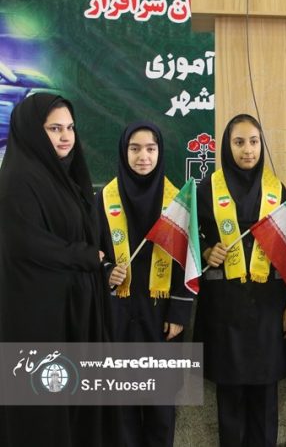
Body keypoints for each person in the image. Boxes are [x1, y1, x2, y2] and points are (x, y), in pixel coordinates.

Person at [0, 93, 114, 446]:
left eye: (70, 128)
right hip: (39, 317)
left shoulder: (65, 176)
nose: (66, 137)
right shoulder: (18, 180)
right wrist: (85, 256)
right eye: (54, 129)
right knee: (43, 412)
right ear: (33, 132)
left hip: (72, 309)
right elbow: (27, 243)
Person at [194, 114, 286, 447]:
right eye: (239, 142)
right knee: (229, 401)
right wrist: (207, 250)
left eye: (254, 142)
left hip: (268, 309)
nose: (248, 150)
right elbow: (190, 238)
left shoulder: (276, 190)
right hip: (223, 309)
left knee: (265, 401)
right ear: (227, 146)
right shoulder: (207, 189)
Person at [97, 122, 195, 447]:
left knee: (160, 408)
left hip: (161, 318)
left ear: (159, 152)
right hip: (118, 316)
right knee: (121, 407)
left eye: (150, 149)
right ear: (123, 152)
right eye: (135, 149)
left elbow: (189, 258)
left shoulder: (178, 202)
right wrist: (107, 271)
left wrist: (179, 312)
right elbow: (92, 251)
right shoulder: (103, 199)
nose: (143, 156)